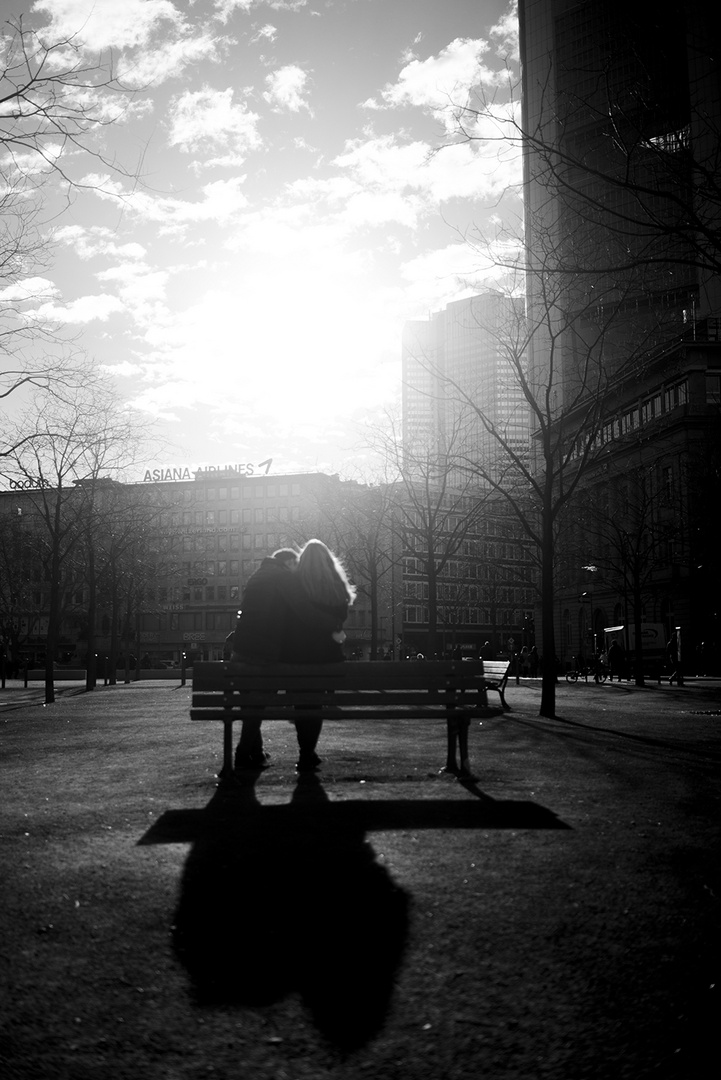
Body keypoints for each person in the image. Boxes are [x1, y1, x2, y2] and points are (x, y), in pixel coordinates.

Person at [280, 539, 356, 772]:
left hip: (297, 654)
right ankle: (308, 752)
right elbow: (340, 618)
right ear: (327, 560)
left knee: (302, 703)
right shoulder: (336, 584)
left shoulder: (295, 583)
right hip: (326, 655)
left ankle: (306, 751)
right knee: (315, 704)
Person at [230, 547, 299, 768]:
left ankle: (256, 752)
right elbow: (293, 614)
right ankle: (242, 754)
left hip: (240, 648)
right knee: (257, 705)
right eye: (296, 564)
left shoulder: (257, 576)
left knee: (250, 704)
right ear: (288, 562)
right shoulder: (283, 577)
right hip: (264, 649)